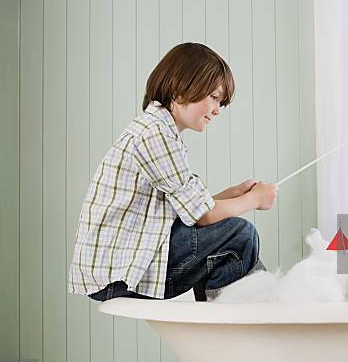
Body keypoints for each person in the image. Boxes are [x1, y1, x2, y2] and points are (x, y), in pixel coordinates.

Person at [67, 42, 278, 302]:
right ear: (180, 91)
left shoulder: (158, 129)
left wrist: (234, 195)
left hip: (121, 264)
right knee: (239, 234)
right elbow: (202, 216)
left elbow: (189, 211)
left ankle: (249, 313)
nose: (217, 110)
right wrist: (254, 200)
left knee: (230, 240)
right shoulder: (155, 134)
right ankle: (256, 313)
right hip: (119, 272)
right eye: (213, 97)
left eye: (220, 101)